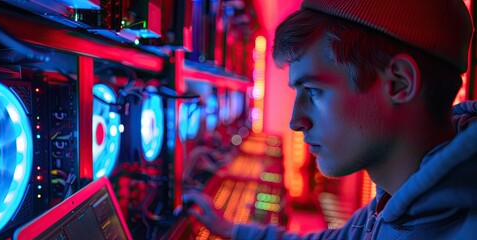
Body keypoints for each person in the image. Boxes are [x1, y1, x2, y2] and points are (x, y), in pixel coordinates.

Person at [182, 0, 477, 239]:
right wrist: (229, 229)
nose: (295, 121)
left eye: (314, 91)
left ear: (399, 82)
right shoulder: (393, 201)